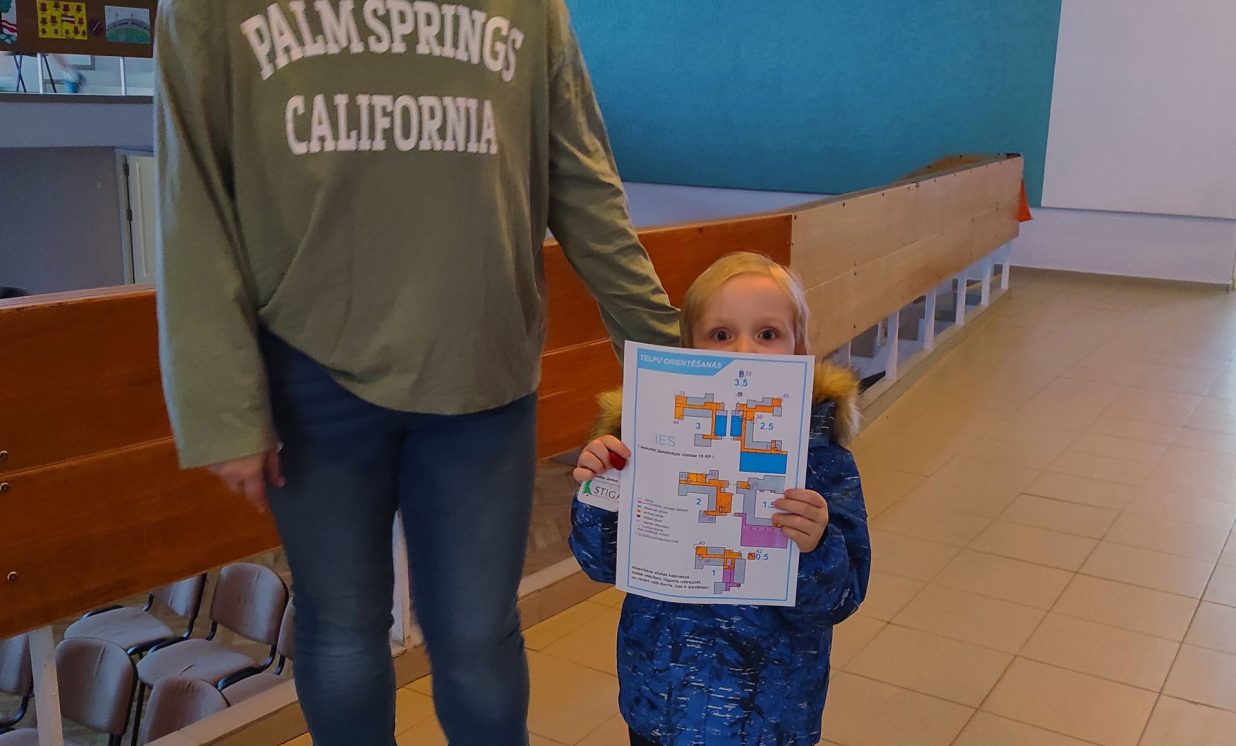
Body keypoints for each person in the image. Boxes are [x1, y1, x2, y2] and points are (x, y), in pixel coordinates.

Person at [153, 1, 679, 744]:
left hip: (481, 370)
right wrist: (223, 405)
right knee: (342, 630)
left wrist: (672, 360)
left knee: (477, 638)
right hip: (309, 368)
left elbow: (582, 181)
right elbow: (194, 200)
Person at [571, 252, 871, 745]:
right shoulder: (646, 443)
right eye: (721, 334)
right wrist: (599, 491)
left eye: (768, 334)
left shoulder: (822, 461)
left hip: (769, 721)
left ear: (801, 351)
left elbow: (840, 599)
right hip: (660, 708)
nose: (745, 351)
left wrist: (817, 546)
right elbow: (600, 562)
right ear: (689, 350)